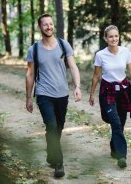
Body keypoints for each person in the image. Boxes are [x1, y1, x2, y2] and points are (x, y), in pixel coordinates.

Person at [25, 13, 82, 178]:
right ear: (40, 27)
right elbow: (30, 74)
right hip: (44, 94)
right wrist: (28, 97)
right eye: (45, 25)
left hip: (62, 94)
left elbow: (73, 67)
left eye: (50, 24)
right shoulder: (34, 49)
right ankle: (59, 163)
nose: (49, 27)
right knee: (51, 126)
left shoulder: (64, 45)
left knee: (58, 127)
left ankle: (51, 153)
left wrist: (77, 86)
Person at [89, 25, 131, 168]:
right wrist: (91, 94)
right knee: (115, 122)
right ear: (105, 38)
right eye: (110, 36)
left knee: (120, 124)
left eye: (116, 36)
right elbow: (96, 76)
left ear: (119, 36)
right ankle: (122, 156)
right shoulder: (100, 55)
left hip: (123, 90)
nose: (114, 39)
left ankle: (114, 148)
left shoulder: (125, 52)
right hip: (107, 90)